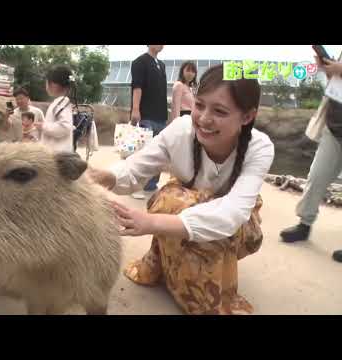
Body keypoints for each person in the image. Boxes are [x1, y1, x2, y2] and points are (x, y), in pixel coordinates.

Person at [88, 64, 275, 314]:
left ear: (247, 117)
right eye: (199, 105)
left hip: (230, 227)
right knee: (170, 200)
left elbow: (232, 214)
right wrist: (104, 176)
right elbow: (135, 168)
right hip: (183, 215)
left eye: (219, 111)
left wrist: (151, 223)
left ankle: (191, 271)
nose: (204, 119)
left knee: (178, 206)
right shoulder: (180, 130)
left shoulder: (260, 147)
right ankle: (171, 265)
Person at [280, 50, 342, 263]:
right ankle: (304, 224)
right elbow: (336, 83)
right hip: (334, 127)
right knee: (316, 176)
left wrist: (340, 70)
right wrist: (329, 70)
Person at [130, 45, 168, 199]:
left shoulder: (162, 65)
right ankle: (136, 186)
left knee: (158, 152)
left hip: (160, 115)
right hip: (145, 114)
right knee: (143, 151)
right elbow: (137, 87)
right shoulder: (139, 62)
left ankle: (151, 185)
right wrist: (135, 109)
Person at [36, 65, 75, 153]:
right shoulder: (60, 102)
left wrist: (43, 126)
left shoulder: (61, 103)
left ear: (53, 84)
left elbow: (65, 128)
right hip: (57, 154)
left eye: (46, 82)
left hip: (57, 155)